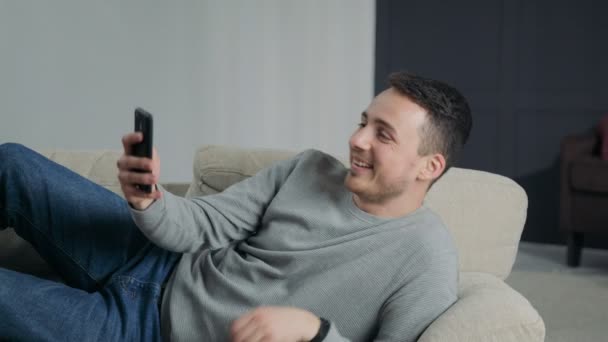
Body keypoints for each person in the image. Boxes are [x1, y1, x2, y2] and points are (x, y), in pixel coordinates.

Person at [0, 71, 472, 341]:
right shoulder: (309, 169)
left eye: (382, 134)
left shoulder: (426, 262)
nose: (356, 139)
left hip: (145, 332)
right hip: (157, 259)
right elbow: (204, 223)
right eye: (363, 122)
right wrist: (150, 200)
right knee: (12, 163)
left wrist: (315, 330)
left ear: (429, 166)